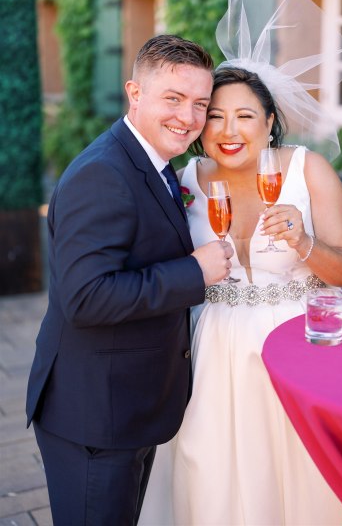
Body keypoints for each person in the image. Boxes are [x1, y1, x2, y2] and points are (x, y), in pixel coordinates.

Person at [138, 0, 342, 525]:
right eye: (214, 116)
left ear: (269, 122)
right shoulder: (184, 180)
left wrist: (305, 244)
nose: (228, 130)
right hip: (213, 346)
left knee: (302, 476)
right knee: (213, 474)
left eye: (244, 116)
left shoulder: (307, 171)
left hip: (298, 344)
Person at [26, 34, 234, 526]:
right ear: (134, 94)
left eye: (200, 103)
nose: (188, 117)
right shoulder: (103, 174)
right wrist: (195, 271)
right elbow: (87, 298)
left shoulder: (155, 165)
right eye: (174, 99)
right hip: (95, 417)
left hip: (128, 405)